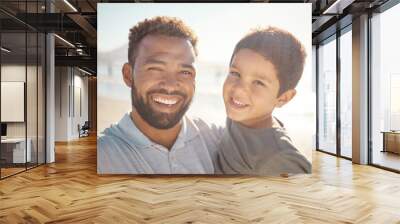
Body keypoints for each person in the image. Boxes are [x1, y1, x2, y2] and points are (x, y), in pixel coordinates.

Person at [97, 16, 221, 174]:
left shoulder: (214, 140)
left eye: (185, 72)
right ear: (128, 75)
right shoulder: (103, 157)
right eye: (155, 68)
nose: (170, 85)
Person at [217, 27, 312, 176]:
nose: (239, 89)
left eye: (259, 83)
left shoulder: (278, 158)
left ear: (283, 98)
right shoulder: (244, 116)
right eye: (235, 73)